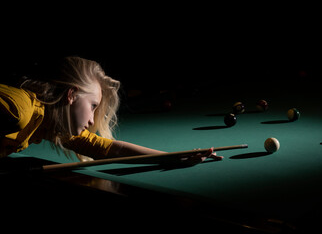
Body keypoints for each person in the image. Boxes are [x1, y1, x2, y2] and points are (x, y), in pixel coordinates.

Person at [0, 56, 222, 165]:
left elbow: (108, 150)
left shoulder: (49, 123)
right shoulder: (20, 111)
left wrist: (175, 158)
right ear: (71, 95)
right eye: (93, 106)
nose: (93, 118)